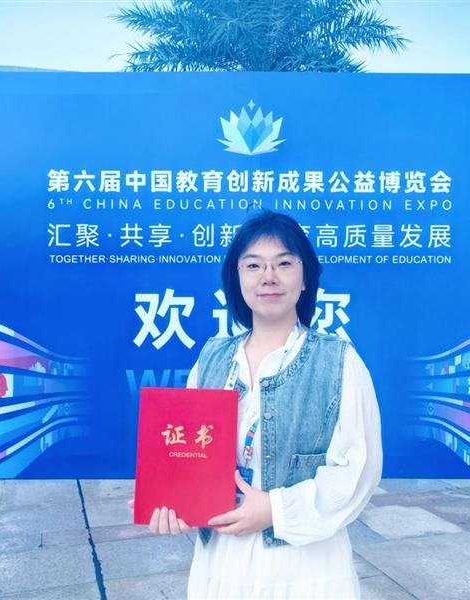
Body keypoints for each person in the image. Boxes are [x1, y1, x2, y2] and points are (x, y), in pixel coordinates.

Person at [130, 211, 383, 599]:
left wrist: (275, 510)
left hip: (305, 571)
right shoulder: (212, 359)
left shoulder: (339, 361)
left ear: (305, 278)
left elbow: (359, 471)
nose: (269, 276)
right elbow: (187, 457)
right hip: (221, 566)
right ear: (237, 279)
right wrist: (173, 503)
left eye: (284, 263)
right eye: (253, 265)